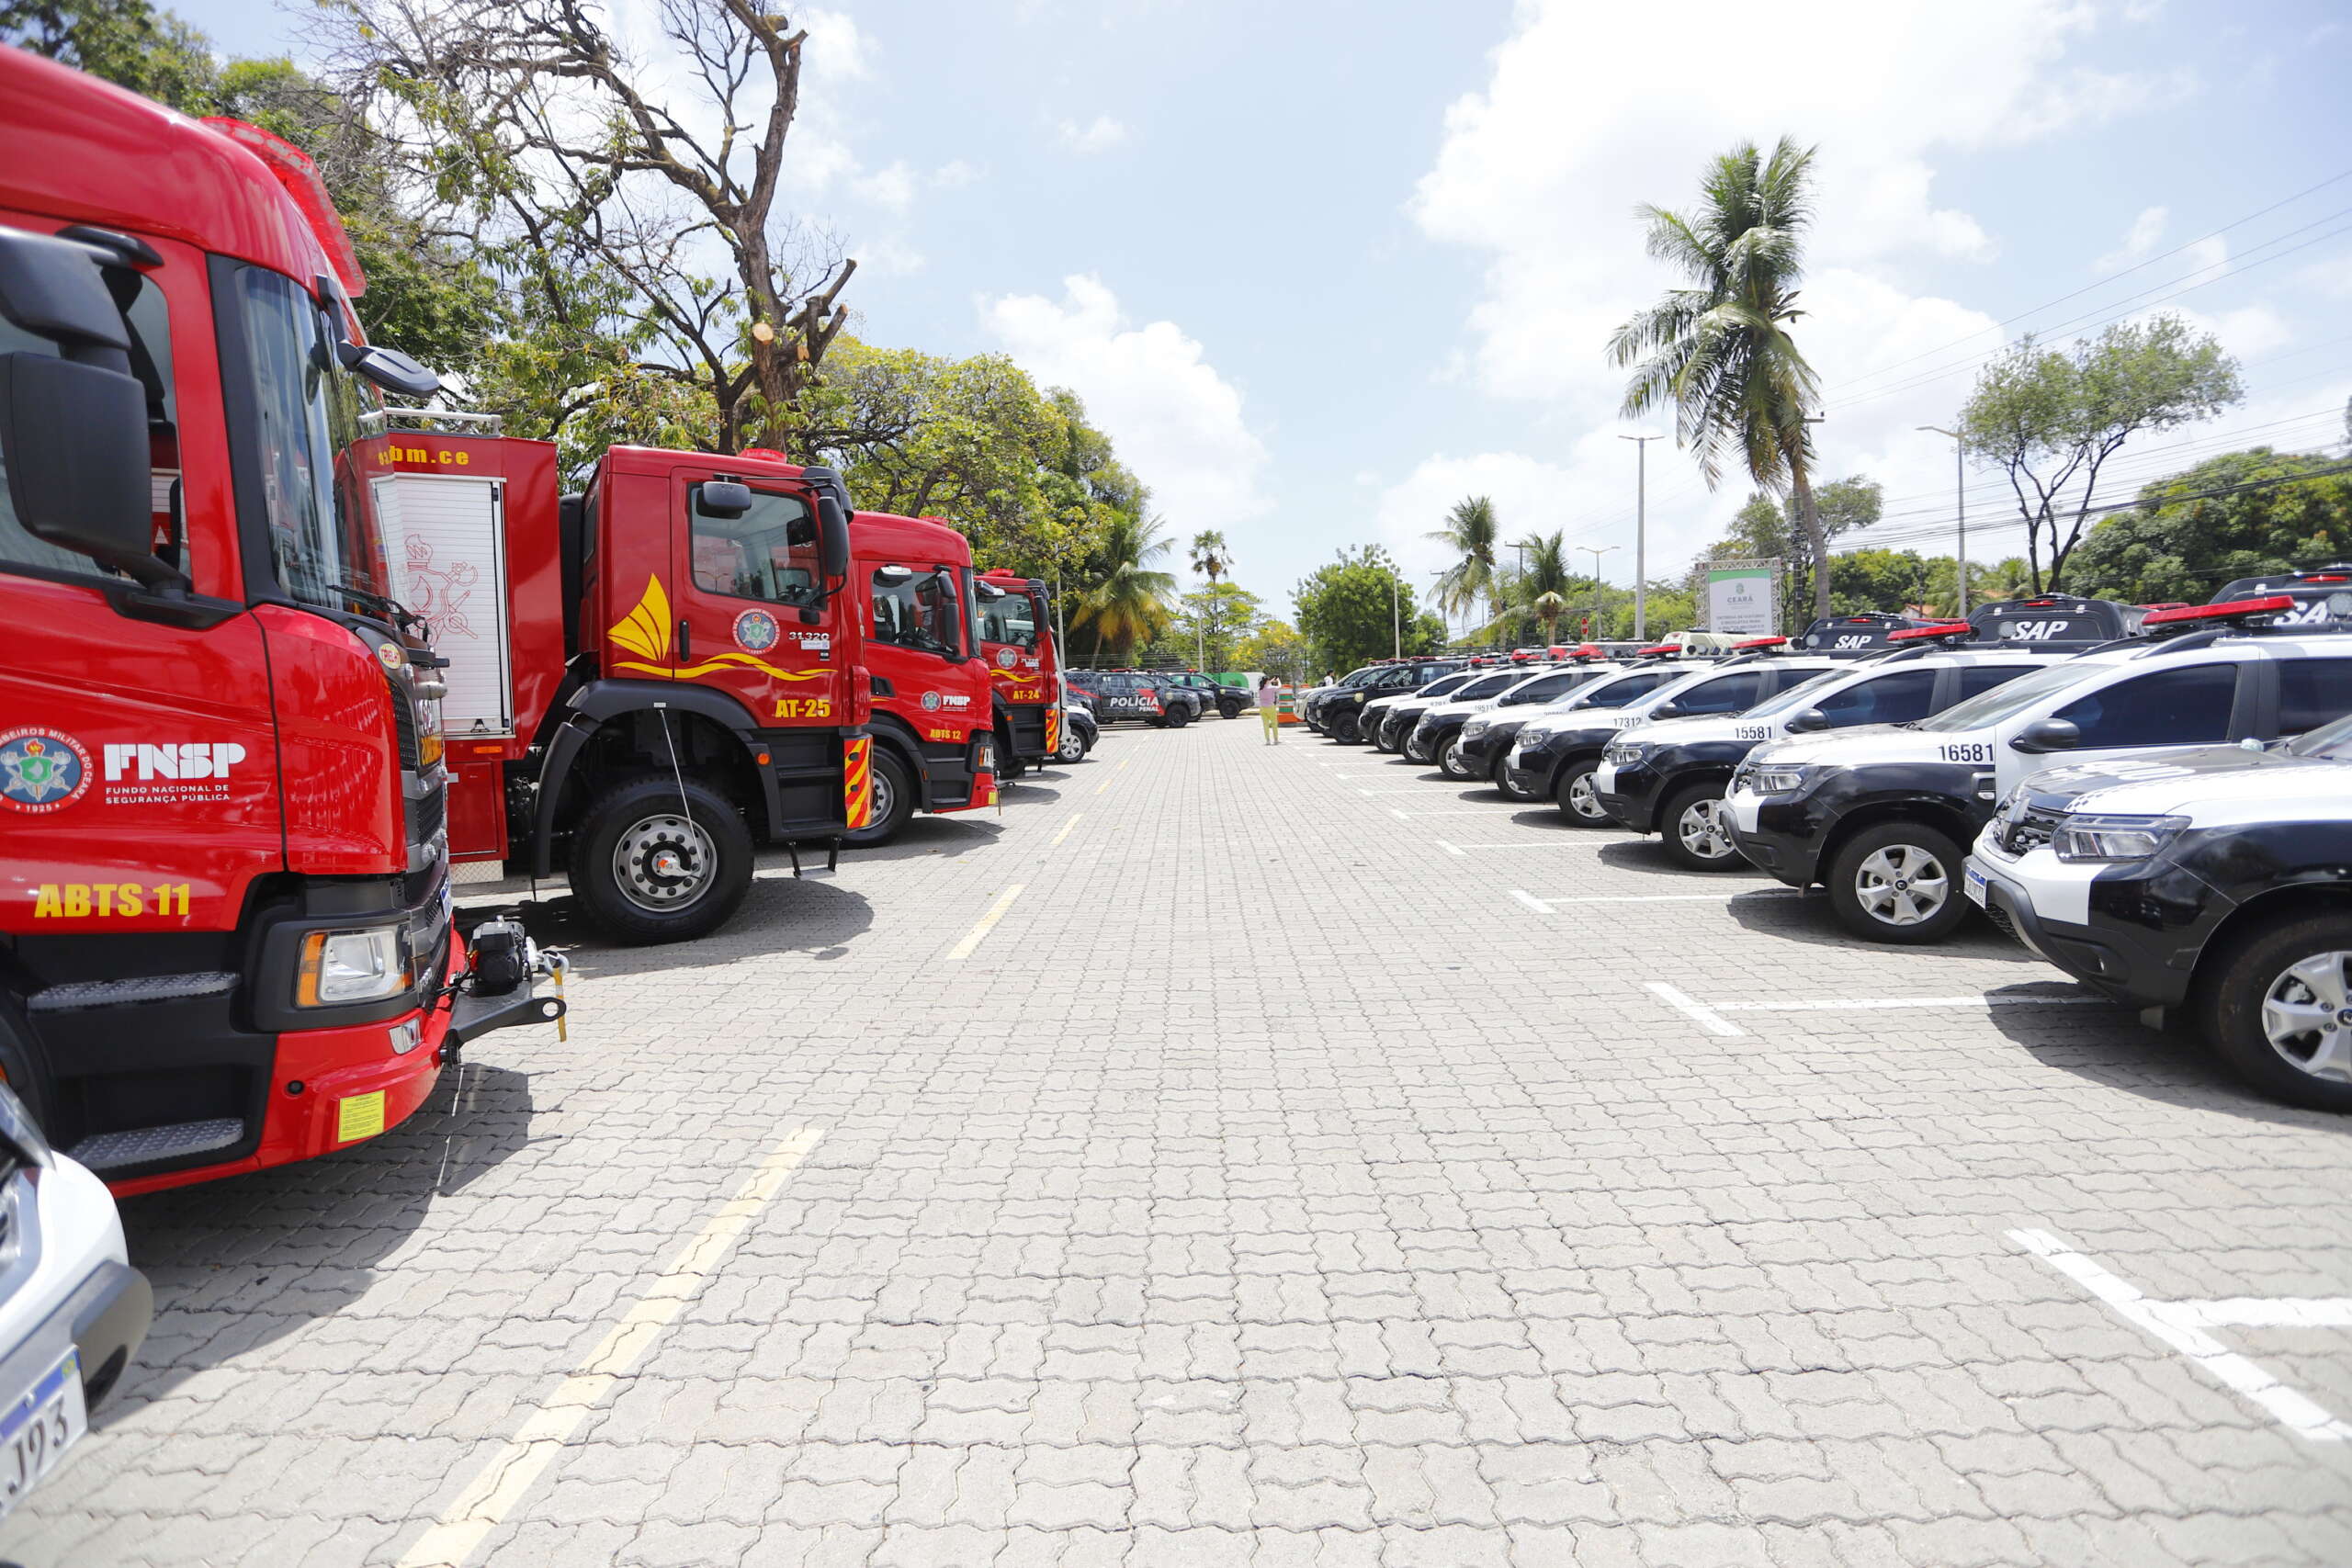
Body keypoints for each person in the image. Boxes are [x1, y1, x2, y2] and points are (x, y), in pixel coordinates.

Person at [1258, 674, 1283, 744]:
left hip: (1262, 708)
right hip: (1270, 707)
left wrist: (1272, 679)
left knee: (1265, 725)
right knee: (1274, 724)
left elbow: (1267, 684)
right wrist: (1278, 680)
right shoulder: (1271, 688)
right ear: (1267, 681)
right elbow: (1280, 687)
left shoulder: (1260, 689)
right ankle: (1275, 740)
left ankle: (1268, 740)